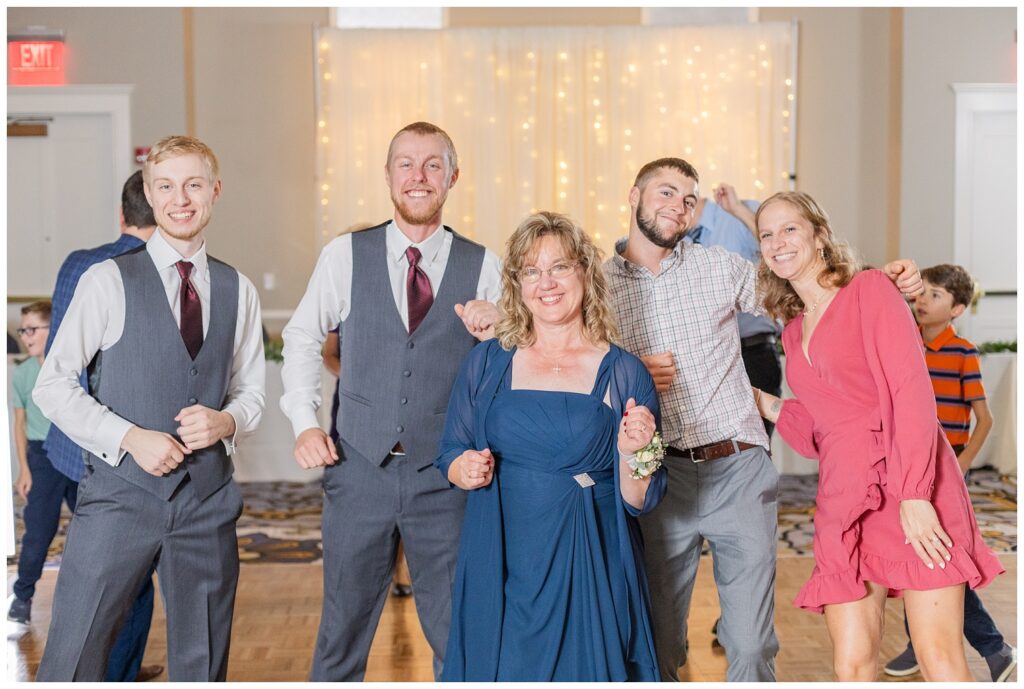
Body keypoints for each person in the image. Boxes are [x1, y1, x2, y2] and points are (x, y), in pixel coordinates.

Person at [603, 157, 925, 681]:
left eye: (688, 199)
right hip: (660, 477)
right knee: (660, 641)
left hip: (740, 470)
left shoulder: (721, 267)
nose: (677, 207)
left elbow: (812, 295)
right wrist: (628, 370)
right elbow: (566, 360)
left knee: (751, 646)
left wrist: (879, 281)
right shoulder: (598, 285)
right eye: (665, 193)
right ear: (634, 195)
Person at [33, 135, 266, 681]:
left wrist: (228, 420)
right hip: (118, 500)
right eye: (165, 186)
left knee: (203, 665)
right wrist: (130, 436)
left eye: (192, 184)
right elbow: (53, 384)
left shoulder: (239, 288)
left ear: (214, 190)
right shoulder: (106, 280)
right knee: (74, 655)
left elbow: (252, 391)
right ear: (148, 193)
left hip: (207, 503)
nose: (179, 198)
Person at [751, 191, 1004, 681]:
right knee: (852, 663)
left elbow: (910, 391)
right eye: (766, 234)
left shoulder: (870, 290)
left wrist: (914, 495)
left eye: (790, 229)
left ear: (819, 235)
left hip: (909, 487)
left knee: (940, 658)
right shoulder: (792, 331)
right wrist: (764, 401)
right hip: (843, 502)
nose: (777, 242)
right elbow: (823, 431)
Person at [280, 121, 501, 681]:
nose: (418, 176)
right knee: (342, 629)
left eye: (432, 164)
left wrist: (503, 331)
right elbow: (303, 338)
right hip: (357, 471)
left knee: (459, 630)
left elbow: (519, 362)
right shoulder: (344, 255)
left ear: (453, 176)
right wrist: (305, 423)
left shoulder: (485, 265)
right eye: (406, 163)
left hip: (445, 479)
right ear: (387, 176)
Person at [436, 211, 665, 681]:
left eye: (560, 266)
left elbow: (638, 499)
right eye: (532, 271)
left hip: (590, 556)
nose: (547, 282)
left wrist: (632, 453)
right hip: (503, 552)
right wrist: (465, 468)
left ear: (584, 271)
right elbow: (450, 451)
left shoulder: (625, 373)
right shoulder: (487, 362)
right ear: (518, 284)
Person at [30, 169, 164, 682]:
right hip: (122, 449)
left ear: (122, 213)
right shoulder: (145, 270)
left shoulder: (76, 263)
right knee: (131, 576)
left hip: (67, 442)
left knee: (89, 571)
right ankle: (118, 673)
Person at [883, 263, 1015, 682]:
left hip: (944, 468)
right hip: (909, 464)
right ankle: (920, 642)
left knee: (938, 558)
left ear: (957, 309)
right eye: (921, 292)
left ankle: (993, 648)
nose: (922, 300)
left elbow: (985, 419)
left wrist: (959, 467)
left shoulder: (962, 353)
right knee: (916, 554)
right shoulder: (906, 344)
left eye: (936, 295)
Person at [687, 183, 782, 437]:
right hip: (708, 361)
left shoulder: (739, 212)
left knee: (757, 448)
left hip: (754, 353)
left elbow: (780, 249)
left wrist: (738, 210)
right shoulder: (676, 241)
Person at [9, 301, 72, 628]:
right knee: (38, 532)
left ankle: (83, 599)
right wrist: (24, 467)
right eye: (23, 330)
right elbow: (18, 424)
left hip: (76, 452)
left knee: (93, 531)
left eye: (32, 329)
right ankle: (21, 596)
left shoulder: (72, 367)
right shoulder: (22, 374)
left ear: (53, 329)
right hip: (41, 456)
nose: (26, 336)